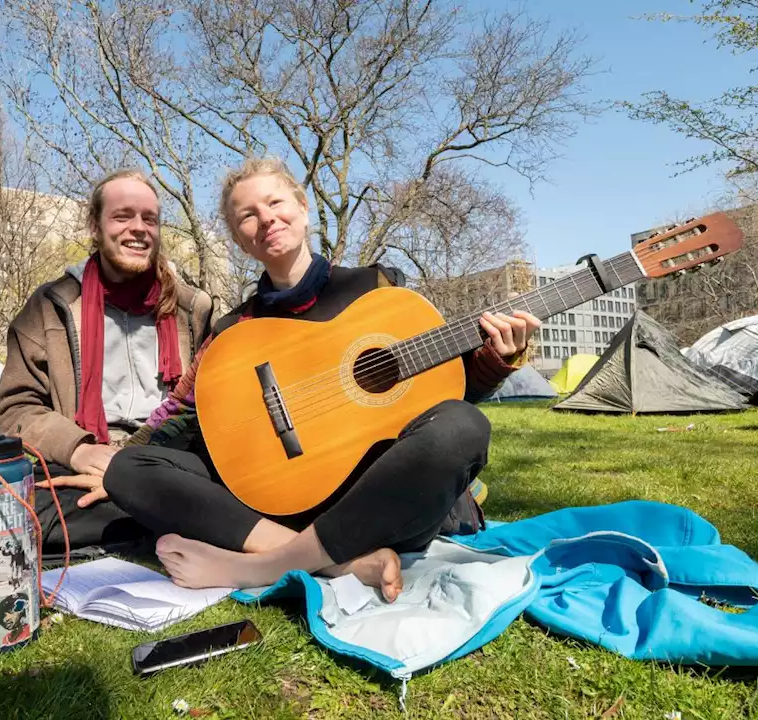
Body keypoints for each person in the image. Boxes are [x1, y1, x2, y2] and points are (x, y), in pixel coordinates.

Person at [103, 157, 539, 601]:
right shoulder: (234, 331)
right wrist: (115, 456)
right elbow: (179, 410)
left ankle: (264, 566)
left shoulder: (378, 290)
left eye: (275, 202)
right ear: (239, 240)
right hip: (285, 509)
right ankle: (335, 561)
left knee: (462, 425)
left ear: (303, 208)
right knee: (127, 470)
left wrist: (494, 362)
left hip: (382, 501)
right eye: (248, 215)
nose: (266, 218)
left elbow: (444, 392)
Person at [0, 169, 214, 553]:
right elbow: (15, 407)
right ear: (95, 226)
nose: (138, 228)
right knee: (25, 507)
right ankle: (176, 523)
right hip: (86, 457)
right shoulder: (50, 307)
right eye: (122, 216)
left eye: (150, 219)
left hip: (168, 456)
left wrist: (143, 468)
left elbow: (208, 399)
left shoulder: (193, 308)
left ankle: (146, 514)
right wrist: (80, 450)